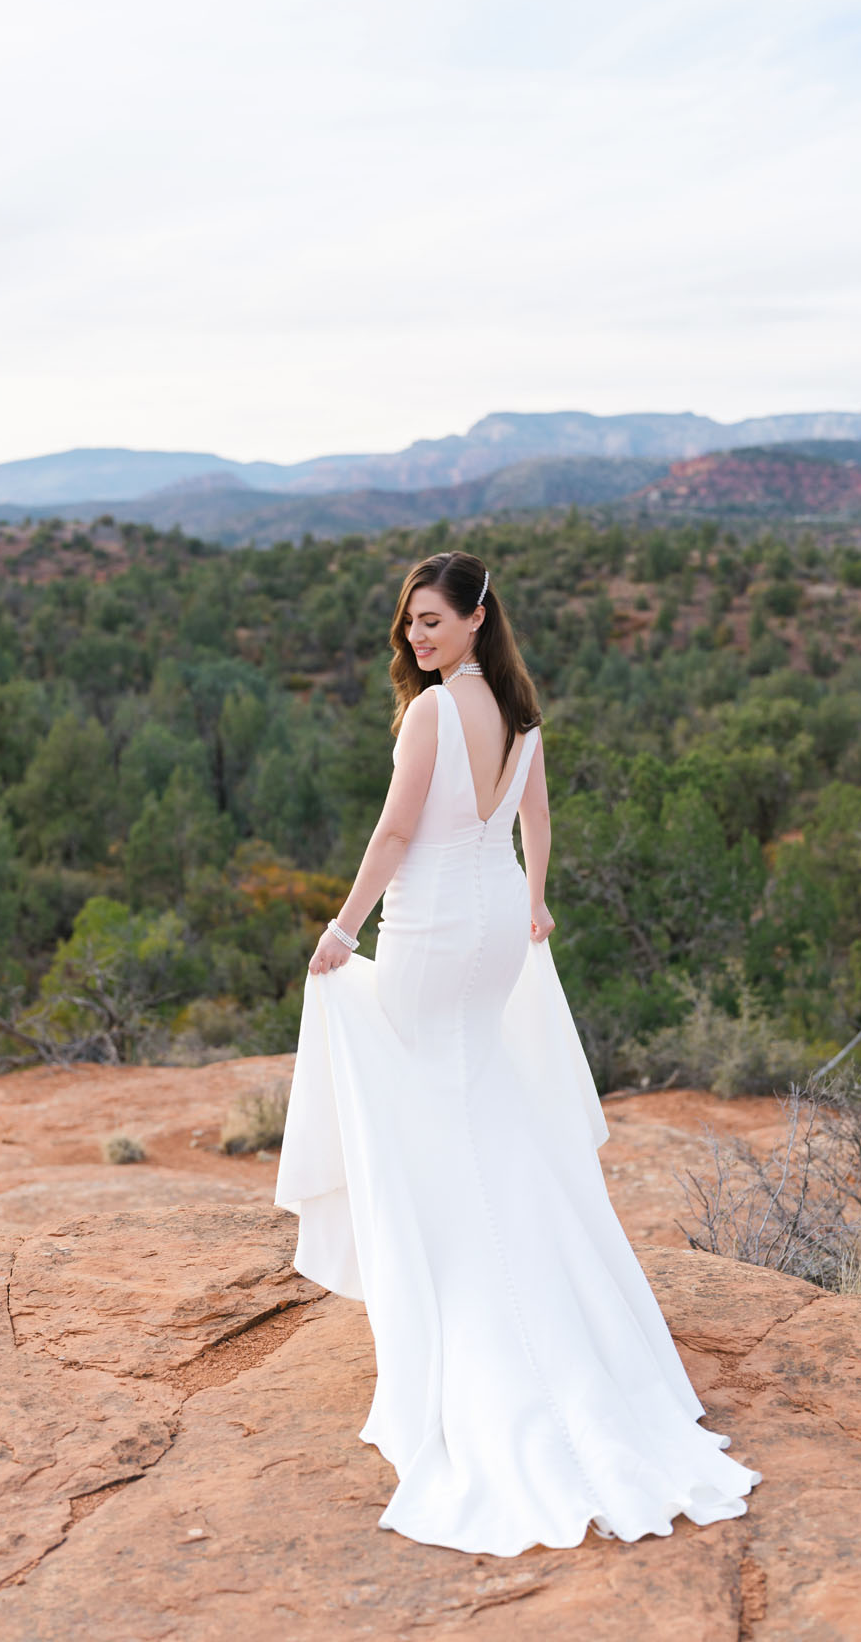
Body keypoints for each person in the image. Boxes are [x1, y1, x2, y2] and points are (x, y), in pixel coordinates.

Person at [274, 549, 760, 1556]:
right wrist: (533, 902)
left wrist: (342, 927)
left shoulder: (432, 713)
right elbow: (535, 820)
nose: (418, 636)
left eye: (434, 620)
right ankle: (545, 1298)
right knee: (473, 1098)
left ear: (476, 617)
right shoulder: (518, 711)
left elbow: (394, 834)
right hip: (493, 924)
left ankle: (468, 1317)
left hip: (434, 926)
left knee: (415, 1091)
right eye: (411, 622)